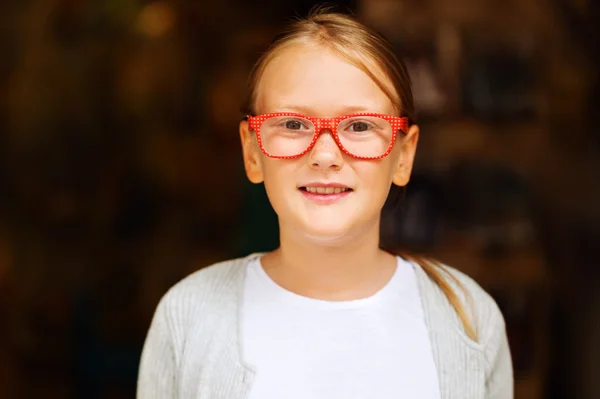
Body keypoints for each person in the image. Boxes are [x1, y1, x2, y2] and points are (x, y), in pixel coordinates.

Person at [137, 8, 513, 399]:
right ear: (252, 152)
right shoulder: (188, 316)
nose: (325, 155)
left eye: (360, 126)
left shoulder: (467, 319)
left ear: (403, 156)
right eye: (294, 124)